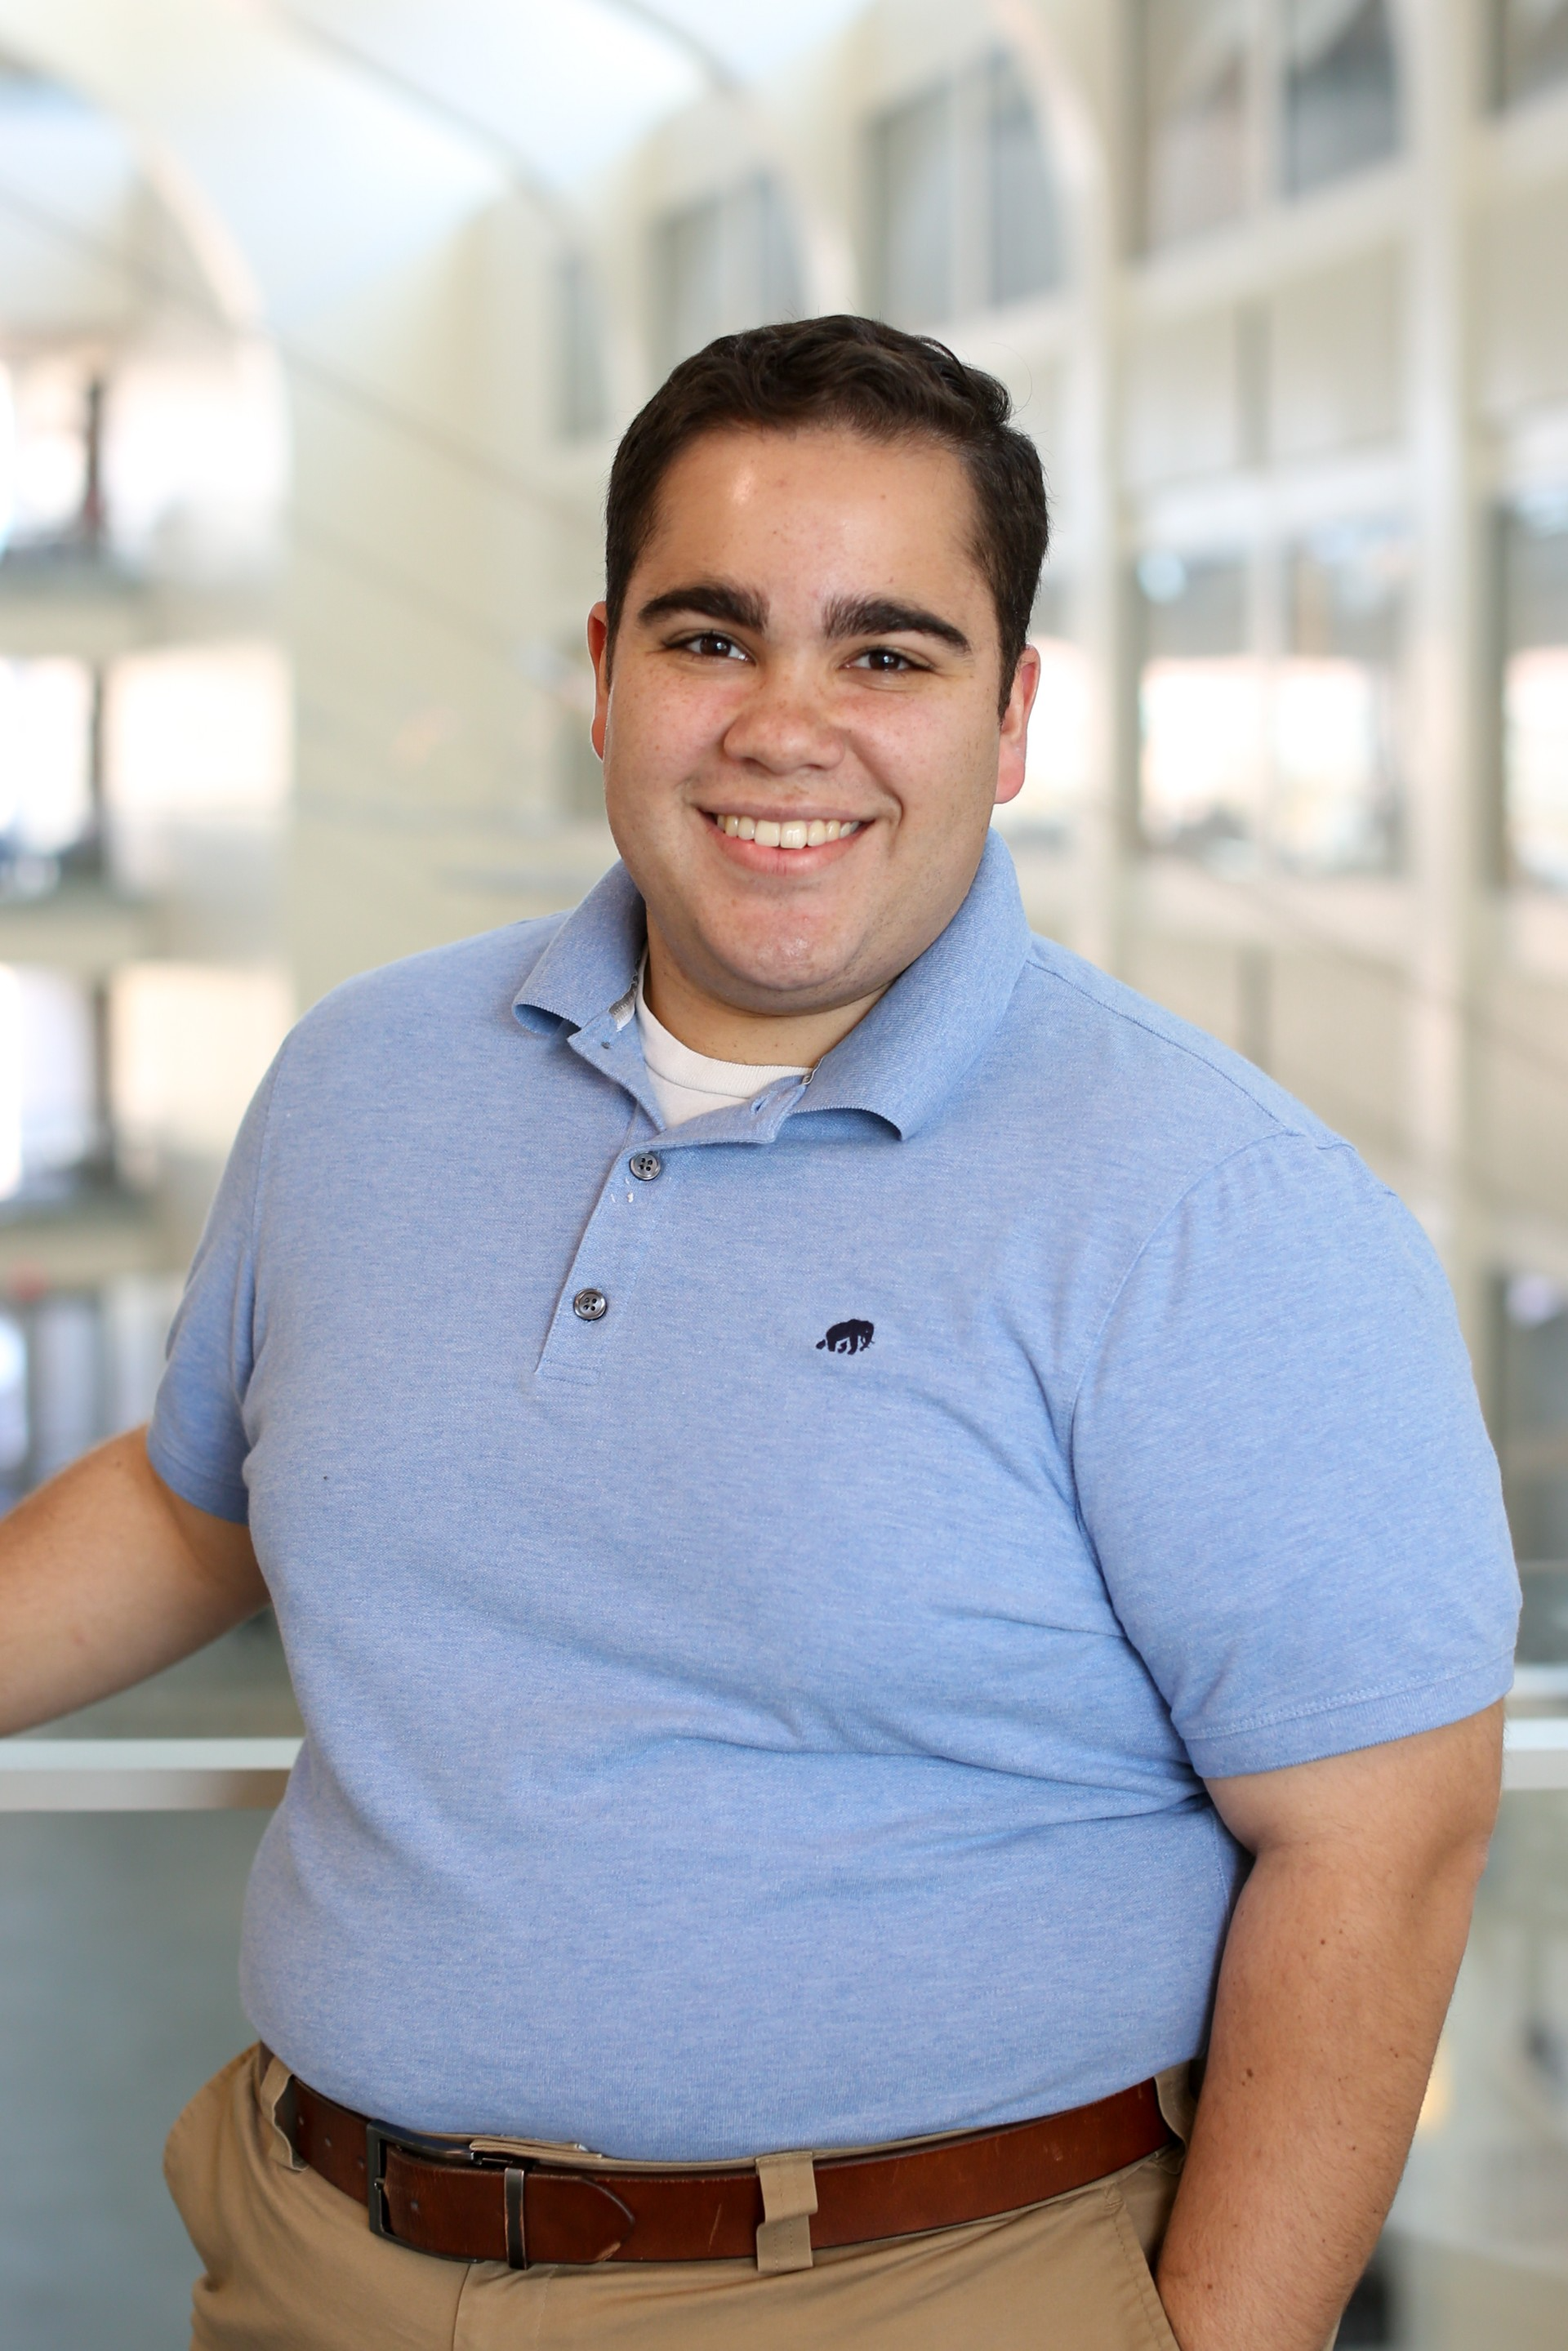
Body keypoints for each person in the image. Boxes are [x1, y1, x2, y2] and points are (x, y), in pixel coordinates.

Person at [0, 316, 1518, 2351]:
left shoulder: (1216, 1208)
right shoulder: (365, 1078)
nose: (785, 724)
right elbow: (202, 1507)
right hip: (312, 2256)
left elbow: (1384, 1842)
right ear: (606, 665)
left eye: (888, 651)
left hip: (918, 2290)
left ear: (1013, 711)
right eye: (714, 638)